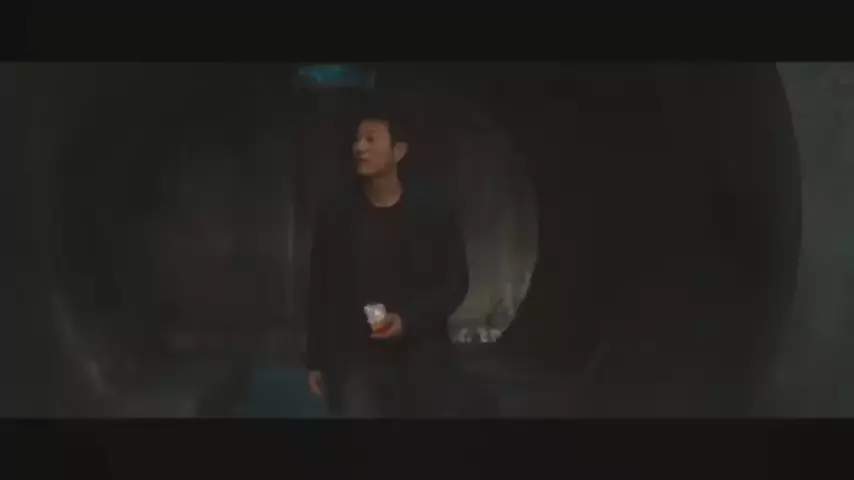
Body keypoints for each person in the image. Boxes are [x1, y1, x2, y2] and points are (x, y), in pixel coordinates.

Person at [304, 106, 470, 417]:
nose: (360, 147)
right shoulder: (335, 213)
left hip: (420, 358)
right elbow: (320, 287)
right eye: (357, 139)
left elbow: (456, 282)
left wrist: (407, 320)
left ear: (399, 151)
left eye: (371, 139)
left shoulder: (435, 211)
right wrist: (316, 360)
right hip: (354, 360)